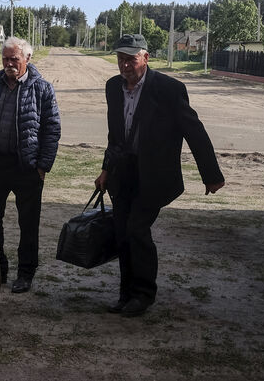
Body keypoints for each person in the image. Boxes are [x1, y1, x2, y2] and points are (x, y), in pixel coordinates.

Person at [95, 34, 224, 317]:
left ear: (146, 57)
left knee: (136, 229)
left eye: (131, 58)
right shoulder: (113, 87)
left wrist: (210, 175)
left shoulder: (168, 89)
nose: (125, 65)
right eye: (121, 58)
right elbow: (114, 134)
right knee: (122, 233)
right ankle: (126, 293)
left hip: (154, 175)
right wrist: (106, 169)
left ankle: (143, 294)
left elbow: (195, 131)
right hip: (122, 173)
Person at [0, 37, 61, 293]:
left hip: (27, 166)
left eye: (15, 58)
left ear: (27, 59)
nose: (9, 63)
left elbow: (52, 129)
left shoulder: (42, 89)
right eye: (5, 58)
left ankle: (26, 272)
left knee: (28, 222)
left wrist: (42, 166)